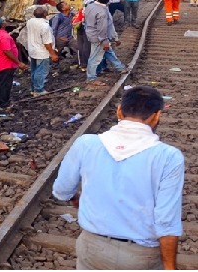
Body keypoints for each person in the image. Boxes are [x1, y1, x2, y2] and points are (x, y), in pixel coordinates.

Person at [52, 86, 182, 269]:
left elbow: (62, 190)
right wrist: (170, 267)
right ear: (157, 116)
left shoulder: (86, 144)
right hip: (141, 256)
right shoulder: (168, 156)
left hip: (93, 248)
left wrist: (74, 198)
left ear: (119, 111)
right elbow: (166, 221)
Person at [85, 0, 127, 86]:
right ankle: (91, 78)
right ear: (108, 0)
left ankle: (120, 67)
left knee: (108, 52)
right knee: (94, 58)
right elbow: (102, 28)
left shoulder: (90, 5)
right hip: (98, 37)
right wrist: (104, 41)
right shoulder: (102, 12)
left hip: (91, 33)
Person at [0, 17, 27, 108]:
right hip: (5, 64)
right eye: (4, 22)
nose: (5, 22)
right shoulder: (4, 37)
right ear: (2, 25)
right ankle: (4, 103)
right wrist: (18, 62)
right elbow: (7, 51)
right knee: (5, 84)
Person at [25, 6, 58, 96]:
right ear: (44, 14)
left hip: (32, 50)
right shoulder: (44, 26)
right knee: (41, 71)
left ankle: (33, 89)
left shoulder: (30, 22)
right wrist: (53, 54)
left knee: (34, 70)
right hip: (42, 52)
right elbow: (47, 43)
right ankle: (39, 90)